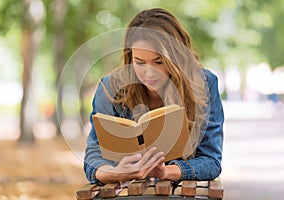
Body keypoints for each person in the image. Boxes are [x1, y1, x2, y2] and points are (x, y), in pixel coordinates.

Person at [84, 8, 224, 184]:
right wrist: (113, 173)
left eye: (159, 62)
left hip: (180, 190)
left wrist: (165, 172)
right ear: (130, 57)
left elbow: (211, 161)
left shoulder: (204, 84)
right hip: (127, 190)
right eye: (139, 62)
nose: (149, 73)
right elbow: (93, 155)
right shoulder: (110, 88)